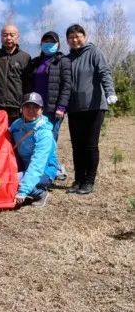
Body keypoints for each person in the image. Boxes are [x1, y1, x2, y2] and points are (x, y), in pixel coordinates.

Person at [65, 24, 117, 195]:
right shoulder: (67, 59)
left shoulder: (94, 53)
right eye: (71, 37)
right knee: (77, 146)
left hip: (94, 107)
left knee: (90, 145)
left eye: (78, 36)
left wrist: (110, 91)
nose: (75, 40)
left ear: (84, 37)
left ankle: (89, 181)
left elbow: (104, 72)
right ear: (68, 40)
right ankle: (78, 179)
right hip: (74, 108)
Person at [24, 31, 72, 180]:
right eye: (46, 41)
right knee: (34, 139)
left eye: (52, 41)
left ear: (58, 44)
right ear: (41, 44)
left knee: (49, 140)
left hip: (53, 109)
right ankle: (35, 169)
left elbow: (67, 86)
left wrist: (61, 107)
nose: (49, 44)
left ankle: (50, 171)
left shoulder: (63, 61)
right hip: (36, 109)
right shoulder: (35, 62)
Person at [10, 93, 58, 207]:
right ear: (22, 109)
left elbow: (38, 163)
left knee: (11, 181)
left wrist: (23, 190)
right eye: (27, 106)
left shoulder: (44, 133)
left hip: (44, 171)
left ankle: (40, 193)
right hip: (25, 168)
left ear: (41, 110)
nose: (31, 110)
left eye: (35, 107)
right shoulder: (17, 125)